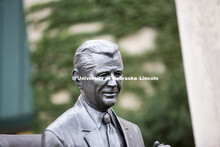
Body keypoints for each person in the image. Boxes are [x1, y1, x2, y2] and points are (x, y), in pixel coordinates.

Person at [41, 40, 170, 147]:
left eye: (118, 74)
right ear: (78, 79)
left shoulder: (133, 131)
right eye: (103, 75)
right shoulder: (58, 135)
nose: (114, 83)